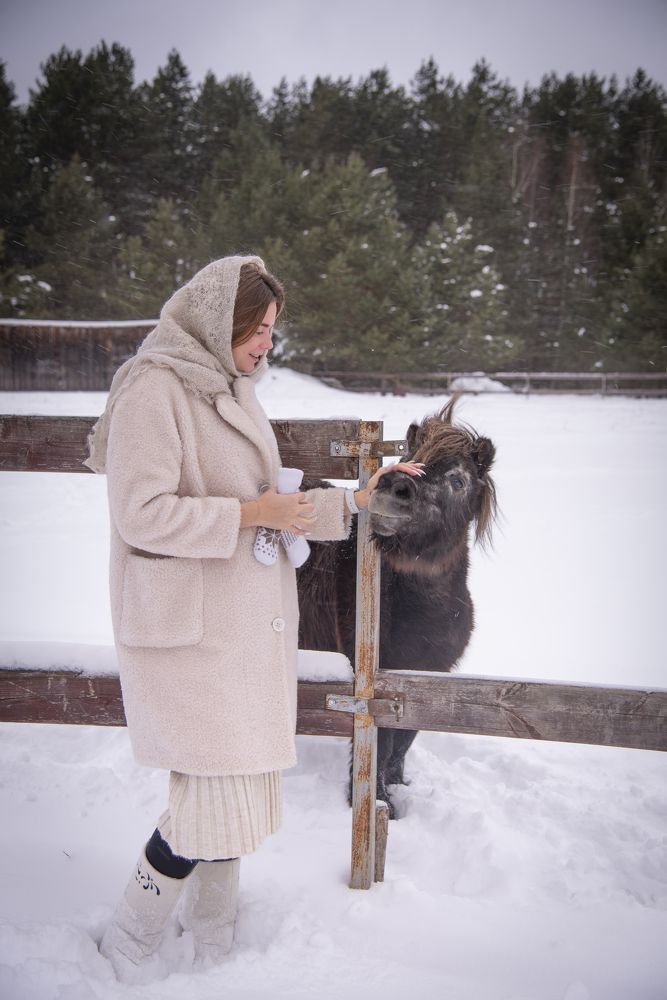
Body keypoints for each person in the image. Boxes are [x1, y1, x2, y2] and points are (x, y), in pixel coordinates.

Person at [85, 255, 423, 982]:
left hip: (234, 630)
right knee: (207, 800)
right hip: (189, 633)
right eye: (259, 329)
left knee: (231, 794)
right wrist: (249, 514)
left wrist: (358, 504)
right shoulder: (155, 389)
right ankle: (128, 939)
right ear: (218, 322)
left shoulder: (230, 388)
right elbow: (140, 516)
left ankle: (214, 944)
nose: (268, 344)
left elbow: (275, 508)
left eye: (273, 331)